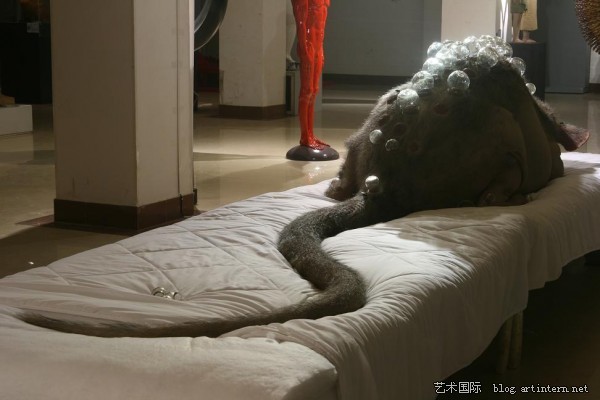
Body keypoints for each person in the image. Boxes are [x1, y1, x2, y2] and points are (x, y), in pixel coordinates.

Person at [292, 0, 330, 150]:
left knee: (314, 90)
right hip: (309, 44)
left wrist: (320, 49)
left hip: (318, 45)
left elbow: (322, 23)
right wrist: (303, 47)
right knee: (307, 90)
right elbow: (301, 21)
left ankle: (310, 134)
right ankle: (305, 136)